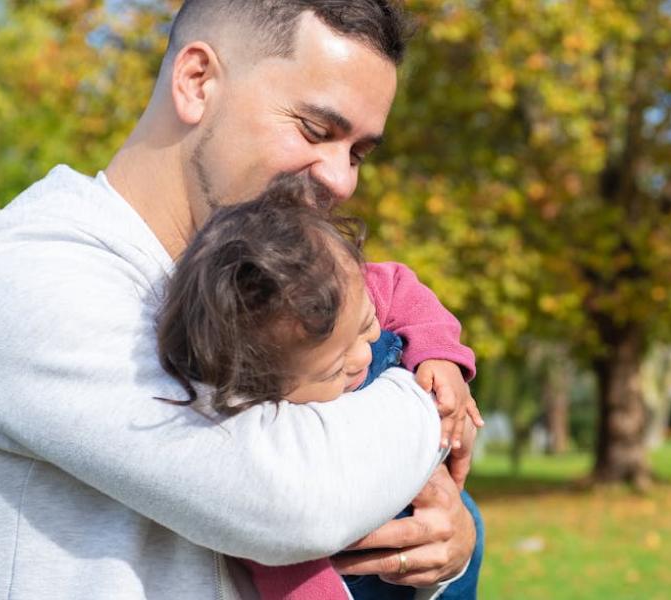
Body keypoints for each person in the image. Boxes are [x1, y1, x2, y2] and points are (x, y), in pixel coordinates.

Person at [0, 1, 481, 597]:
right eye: (316, 130)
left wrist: (437, 542)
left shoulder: (276, 290)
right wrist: (428, 410)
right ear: (197, 80)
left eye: (358, 152)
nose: (343, 179)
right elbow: (290, 500)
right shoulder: (25, 277)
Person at [154, 180, 482, 600]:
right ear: (262, 388)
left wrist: (441, 357)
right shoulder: (263, 447)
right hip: (366, 572)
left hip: (443, 519)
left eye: (366, 327)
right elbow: (282, 561)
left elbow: (403, 289)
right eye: (333, 370)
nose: (362, 357)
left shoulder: (340, 285)